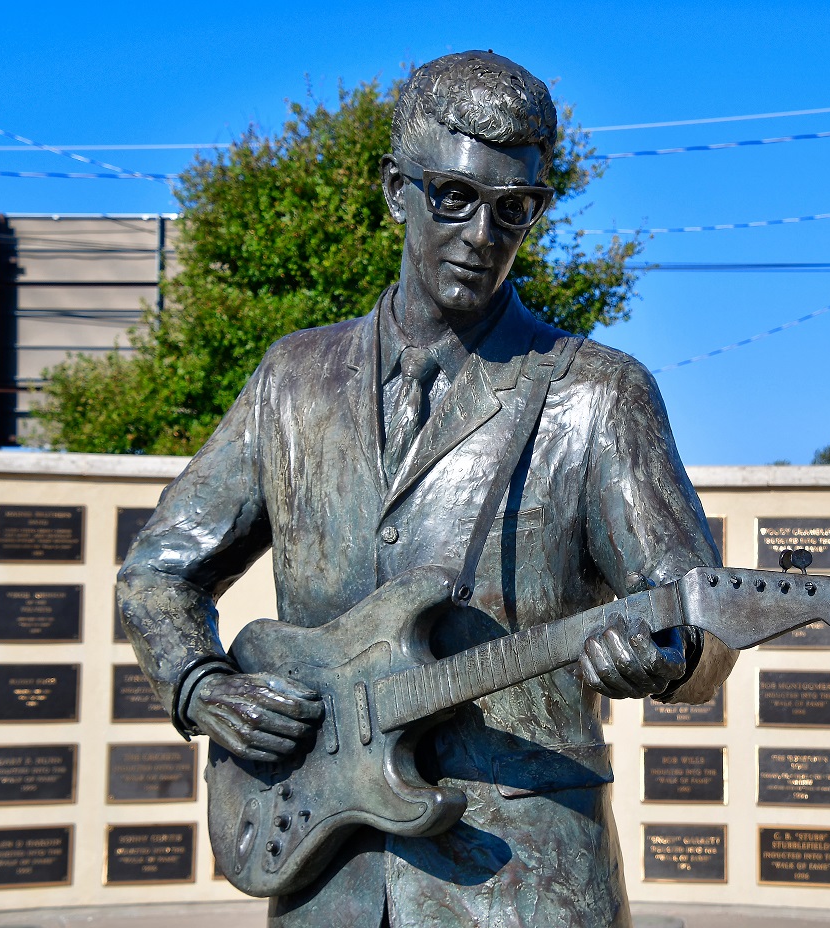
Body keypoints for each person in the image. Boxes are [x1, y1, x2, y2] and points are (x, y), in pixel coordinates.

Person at [118, 50, 736, 928]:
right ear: (393, 188)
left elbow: (700, 621)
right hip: (325, 873)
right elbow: (157, 574)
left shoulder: (600, 396)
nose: (483, 235)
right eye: (454, 197)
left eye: (514, 209)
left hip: (525, 882)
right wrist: (201, 687)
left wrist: (671, 658)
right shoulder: (292, 379)